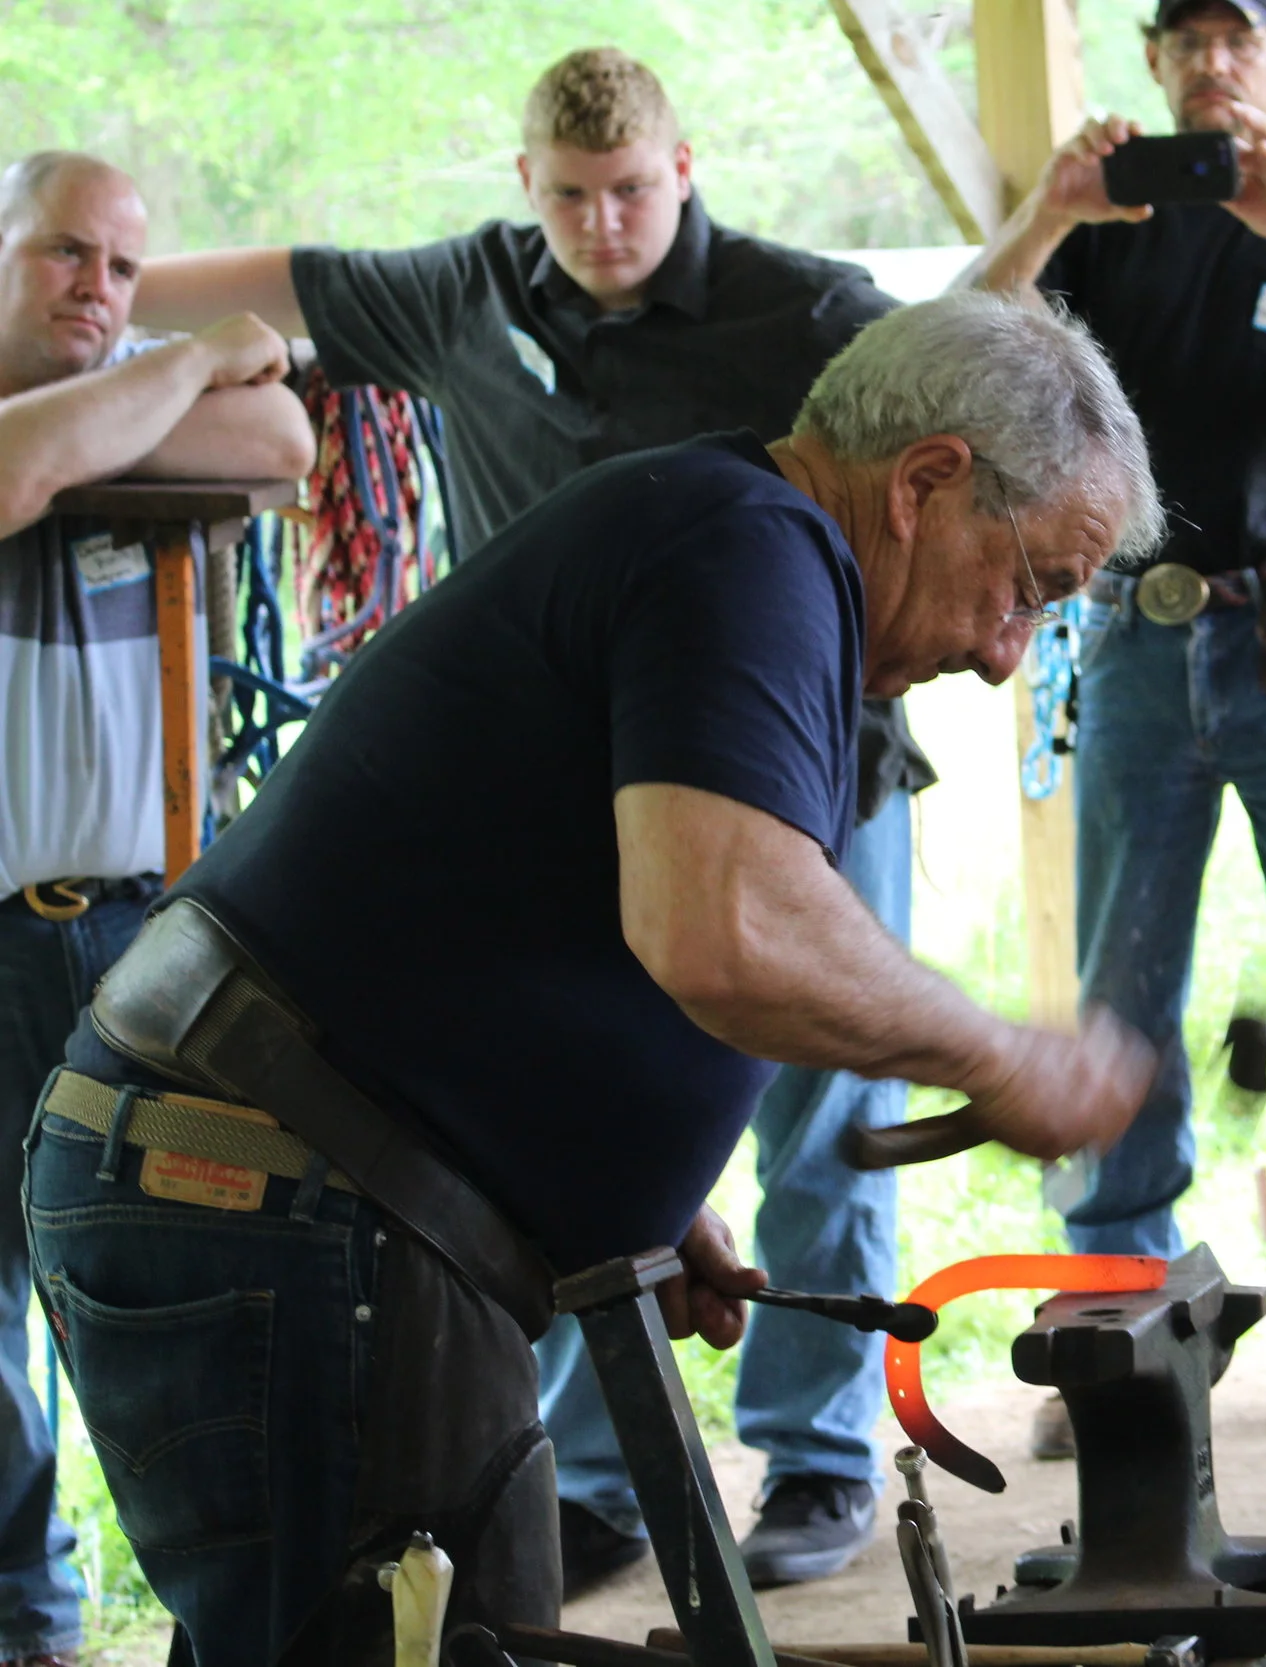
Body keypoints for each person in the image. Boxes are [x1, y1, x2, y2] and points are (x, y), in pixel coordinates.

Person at [28, 291, 1163, 1664]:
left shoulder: (731, 538)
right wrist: (998, 1051)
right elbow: (725, 925)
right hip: (272, 1182)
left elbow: (549, 884)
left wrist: (596, 1179)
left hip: (306, 1182)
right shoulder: (753, 545)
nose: (1002, 653)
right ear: (926, 481)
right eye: (1028, 585)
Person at [134, 47, 934, 1594]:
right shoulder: (462, 293)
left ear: (685, 168)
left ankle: (819, 1453)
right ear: (523, 188)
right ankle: (609, 1470)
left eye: (631, 190)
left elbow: (969, 402)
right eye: (569, 197)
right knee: (592, 1122)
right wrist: (86, 306)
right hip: (562, 818)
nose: (604, 223)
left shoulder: (812, 309)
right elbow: (252, 280)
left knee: (817, 1106)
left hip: (802, 774)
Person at [964, 0, 1266, 1429]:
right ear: (1155, 59)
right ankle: (1118, 1315)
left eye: (1243, 34)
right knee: (1120, 991)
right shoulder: (1100, 224)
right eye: (1186, 35)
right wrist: (1047, 214)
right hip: (1133, 631)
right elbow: (945, 358)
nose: (1213, 59)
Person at [0, 150, 313, 1667]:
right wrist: (178, 368)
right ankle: (30, 1623)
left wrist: (111, 418)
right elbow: (8, 476)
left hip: (134, 930)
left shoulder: (126, 386)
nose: (98, 292)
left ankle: (219, 1621)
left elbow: (282, 435)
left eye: (126, 272)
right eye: (67, 255)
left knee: (152, 1282)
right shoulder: (149, 383)